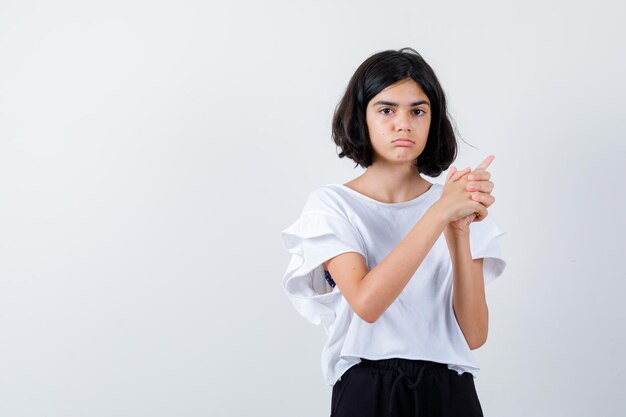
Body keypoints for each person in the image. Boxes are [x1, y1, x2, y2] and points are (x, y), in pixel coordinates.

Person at [280, 47, 506, 417]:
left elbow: (474, 335)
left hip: (449, 389)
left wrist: (458, 231)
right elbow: (368, 303)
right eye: (386, 110)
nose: (404, 124)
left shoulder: (453, 203)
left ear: (433, 120)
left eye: (418, 111)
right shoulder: (332, 205)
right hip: (367, 388)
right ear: (361, 118)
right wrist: (438, 214)